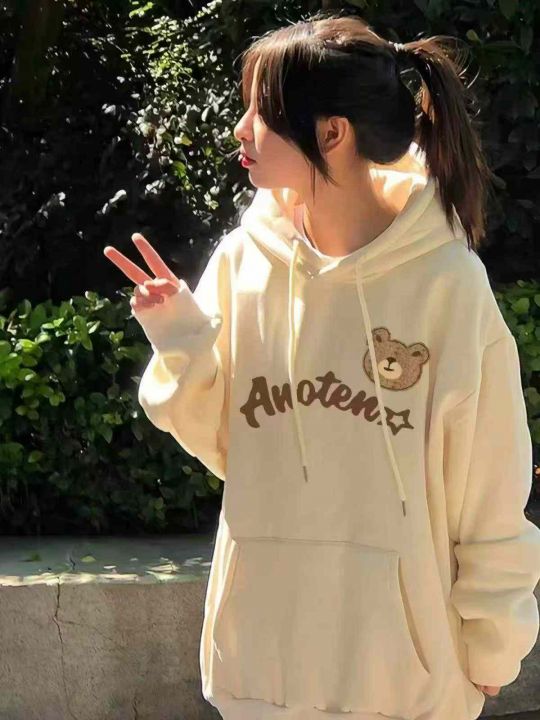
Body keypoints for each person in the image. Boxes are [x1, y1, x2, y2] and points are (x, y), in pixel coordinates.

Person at [104, 12, 540, 720]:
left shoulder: (447, 286)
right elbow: (228, 447)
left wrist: (496, 640)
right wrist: (182, 340)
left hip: (405, 685)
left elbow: (490, 484)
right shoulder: (244, 264)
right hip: (263, 672)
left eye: (260, 112)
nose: (240, 130)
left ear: (332, 133)